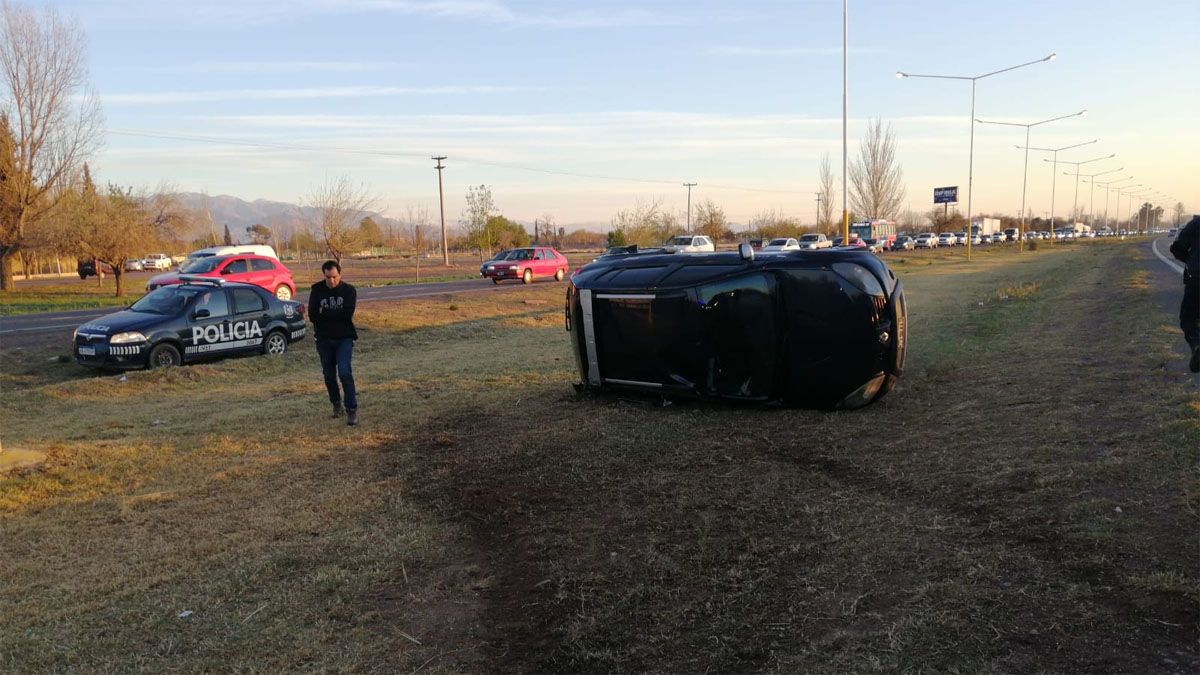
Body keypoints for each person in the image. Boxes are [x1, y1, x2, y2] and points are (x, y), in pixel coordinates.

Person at [308, 260, 360, 425]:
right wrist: (333, 313)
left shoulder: (349, 291)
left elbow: (347, 314)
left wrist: (325, 312)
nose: (331, 281)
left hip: (344, 338)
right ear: (324, 275)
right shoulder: (316, 290)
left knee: (344, 373)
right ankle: (336, 404)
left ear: (340, 274)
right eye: (328, 277)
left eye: (334, 277)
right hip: (324, 339)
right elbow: (313, 316)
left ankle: (351, 410)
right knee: (329, 375)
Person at [1169, 216, 1199, 372]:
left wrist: (1190, 259)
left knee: (1188, 318)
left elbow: (1177, 248)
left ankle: (1196, 343)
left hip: (1196, 279)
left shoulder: (1195, 224)